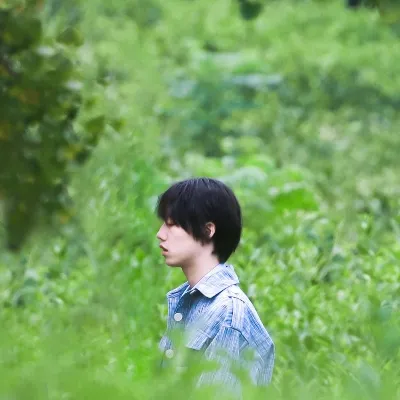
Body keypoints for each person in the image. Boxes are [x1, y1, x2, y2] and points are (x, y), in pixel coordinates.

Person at [155, 177, 274, 397]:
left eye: (172, 224)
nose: (161, 234)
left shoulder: (228, 313)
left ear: (207, 230)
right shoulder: (188, 302)